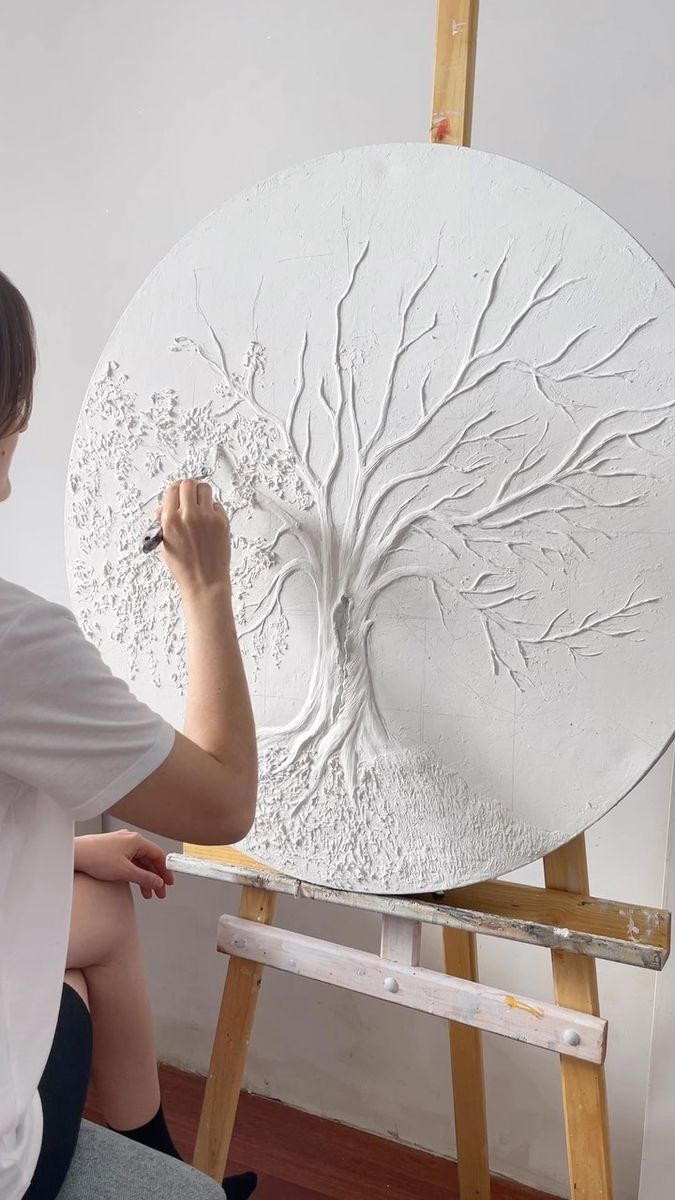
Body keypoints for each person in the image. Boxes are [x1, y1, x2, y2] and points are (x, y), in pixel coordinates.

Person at [0, 268, 259, 1200]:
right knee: (67, 990)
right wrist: (207, 589)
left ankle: (160, 1169)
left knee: (99, 913)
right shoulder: (13, 640)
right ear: (12, 423)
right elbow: (225, 798)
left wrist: (69, 851)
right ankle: (159, 1178)